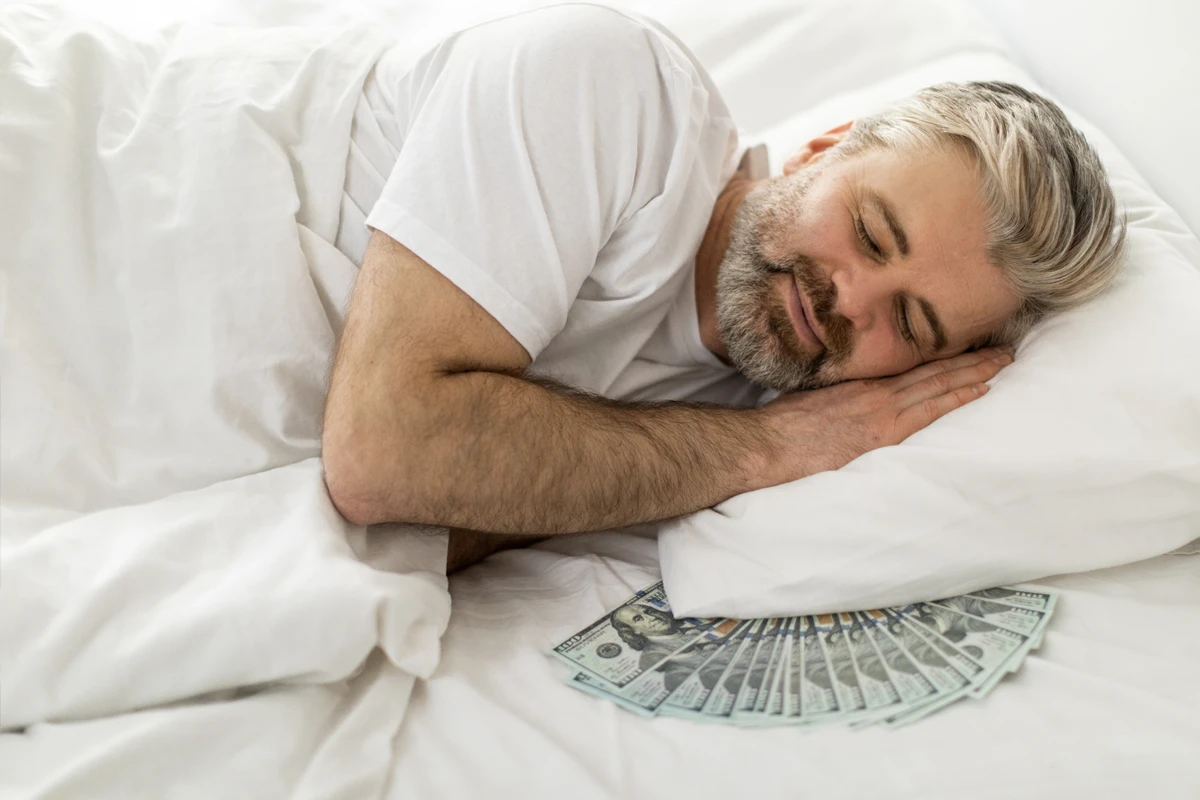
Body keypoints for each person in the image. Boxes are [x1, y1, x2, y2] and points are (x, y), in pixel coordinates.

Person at [319, 5, 1126, 574]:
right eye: (872, 233)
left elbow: (404, 522)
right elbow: (383, 453)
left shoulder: (753, 411)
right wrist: (766, 450)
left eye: (910, 324)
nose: (852, 300)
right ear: (822, 149)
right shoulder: (612, 84)